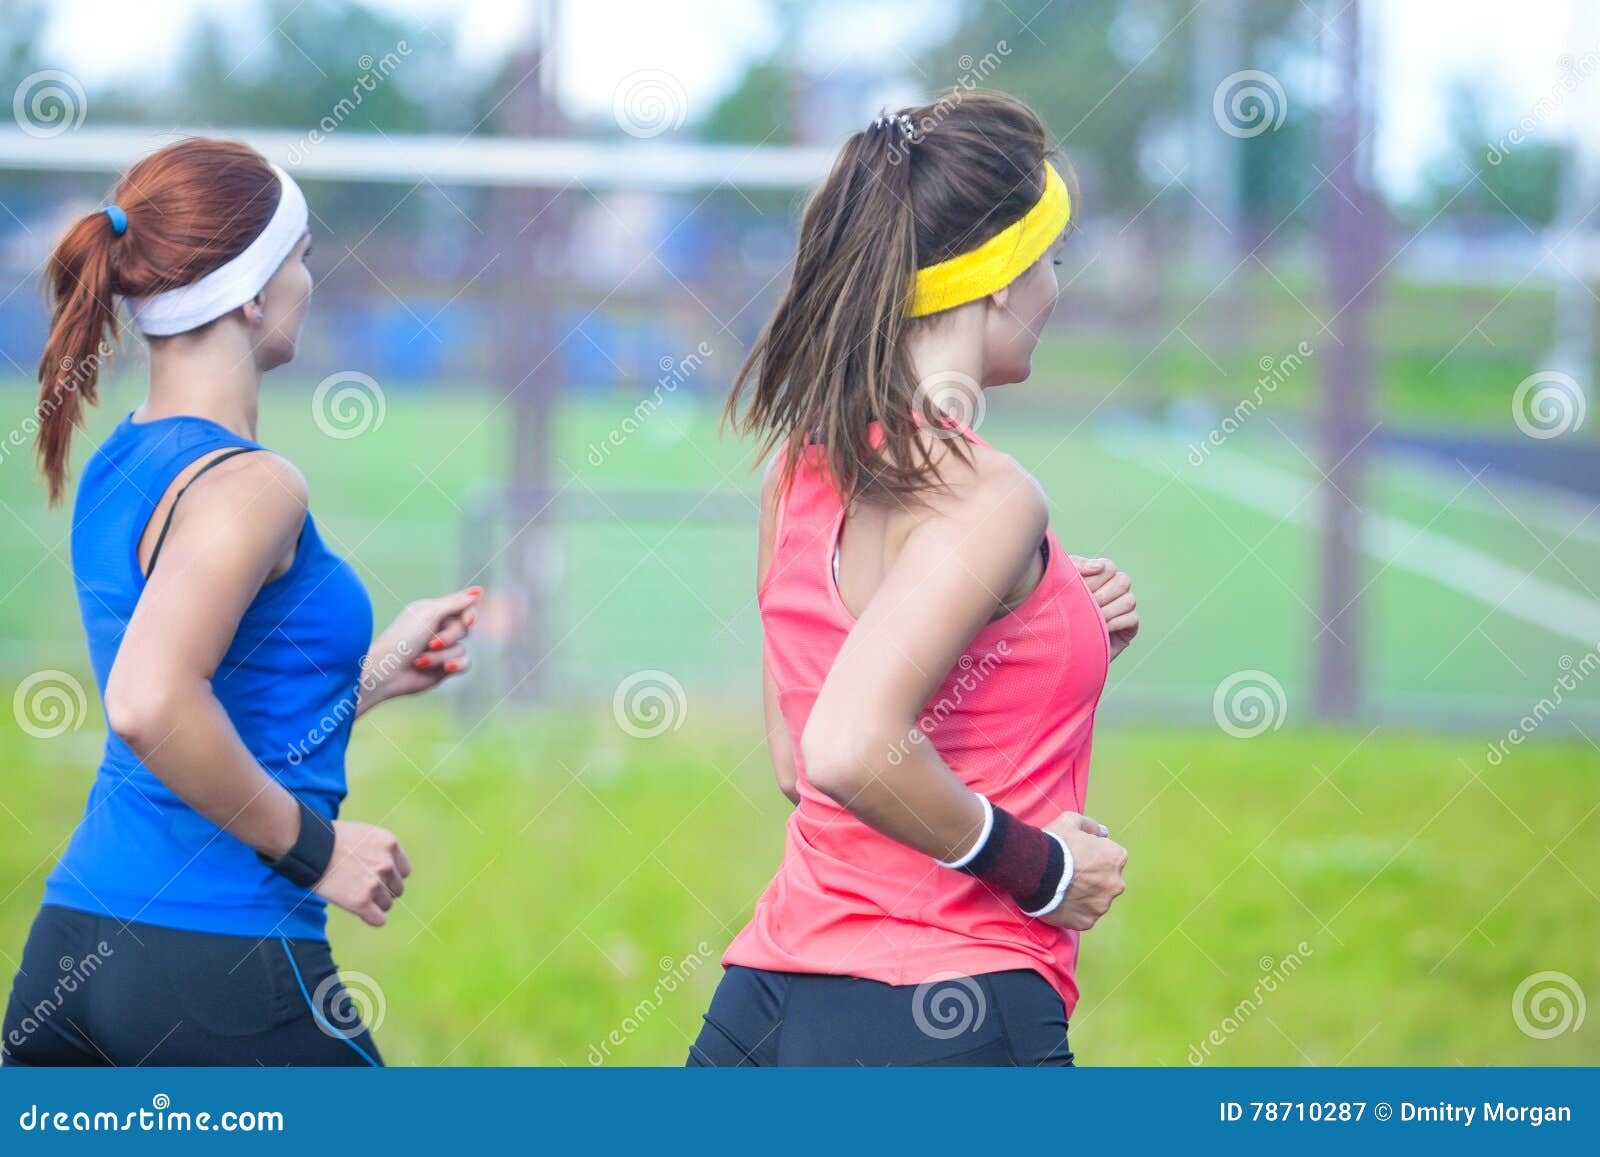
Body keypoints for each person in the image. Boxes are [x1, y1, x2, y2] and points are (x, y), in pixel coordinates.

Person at [2, 137, 479, 1066]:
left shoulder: (118, 464)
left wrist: (373, 673)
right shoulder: (255, 486)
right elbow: (150, 702)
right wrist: (316, 848)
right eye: (301, 257)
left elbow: (212, 686)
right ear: (254, 292)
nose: (311, 278)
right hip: (217, 955)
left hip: (77, 944)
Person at [690, 93, 1139, 1066]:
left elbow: (796, 755)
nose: (1055, 287)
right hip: (946, 1010)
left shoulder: (799, 467)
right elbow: (848, 744)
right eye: (1049, 258)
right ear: (999, 280)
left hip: (761, 1008)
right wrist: (1042, 864)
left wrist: (1062, 623)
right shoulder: (990, 496)